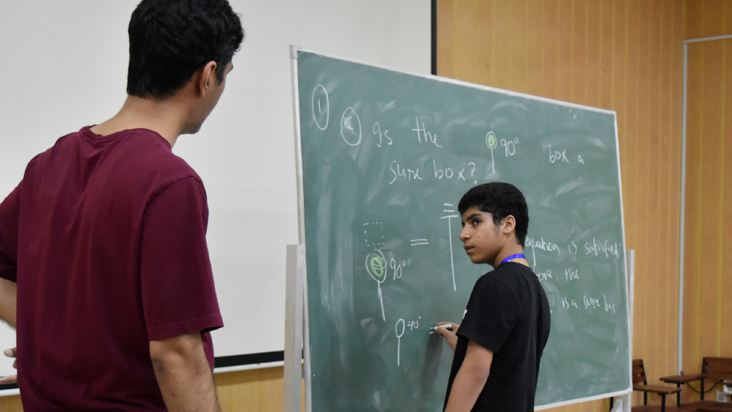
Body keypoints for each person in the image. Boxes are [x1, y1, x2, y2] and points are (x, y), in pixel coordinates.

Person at [0, 0, 244, 410]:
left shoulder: (46, 166)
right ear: (207, 76)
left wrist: (46, 336)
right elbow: (176, 353)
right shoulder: (170, 184)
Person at [435, 182, 551, 412]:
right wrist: (465, 342)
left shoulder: (495, 284)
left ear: (508, 224)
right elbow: (507, 362)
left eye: (476, 221)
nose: (462, 234)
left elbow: (476, 371)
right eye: (463, 224)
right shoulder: (534, 288)